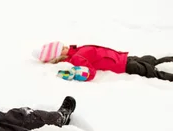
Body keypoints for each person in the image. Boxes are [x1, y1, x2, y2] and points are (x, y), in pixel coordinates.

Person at [33, 41, 173, 82]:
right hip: (124, 65)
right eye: (60, 48)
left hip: (123, 57)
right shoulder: (76, 58)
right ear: (57, 55)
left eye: (62, 45)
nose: (64, 46)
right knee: (153, 72)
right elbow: (90, 73)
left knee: (151, 60)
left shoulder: (75, 51)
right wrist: (76, 74)